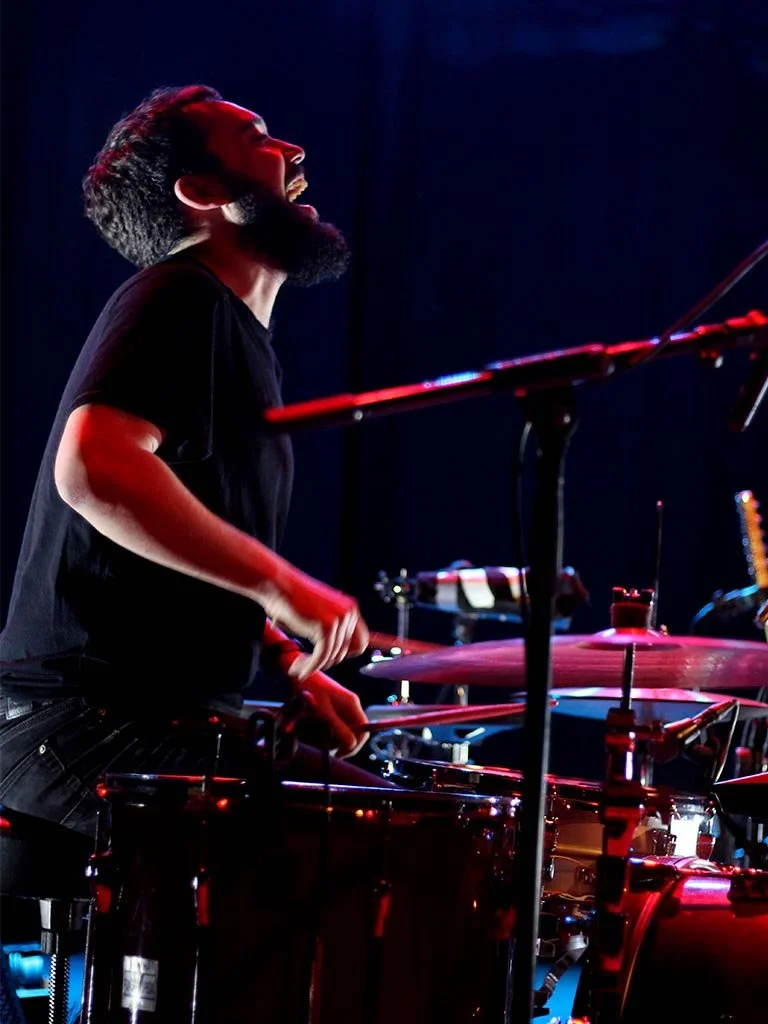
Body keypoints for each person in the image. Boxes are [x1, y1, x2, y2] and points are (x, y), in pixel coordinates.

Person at [0, 84, 382, 839]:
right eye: (261, 138)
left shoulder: (229, 332)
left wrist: (274, 651)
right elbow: (92, 468)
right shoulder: (183, 298)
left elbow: (159, 551)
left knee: (391, 833)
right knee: (382, 847)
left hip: (133, 718)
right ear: (203, 191)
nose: (293, 152)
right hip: (84, 726)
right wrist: (281, 587)